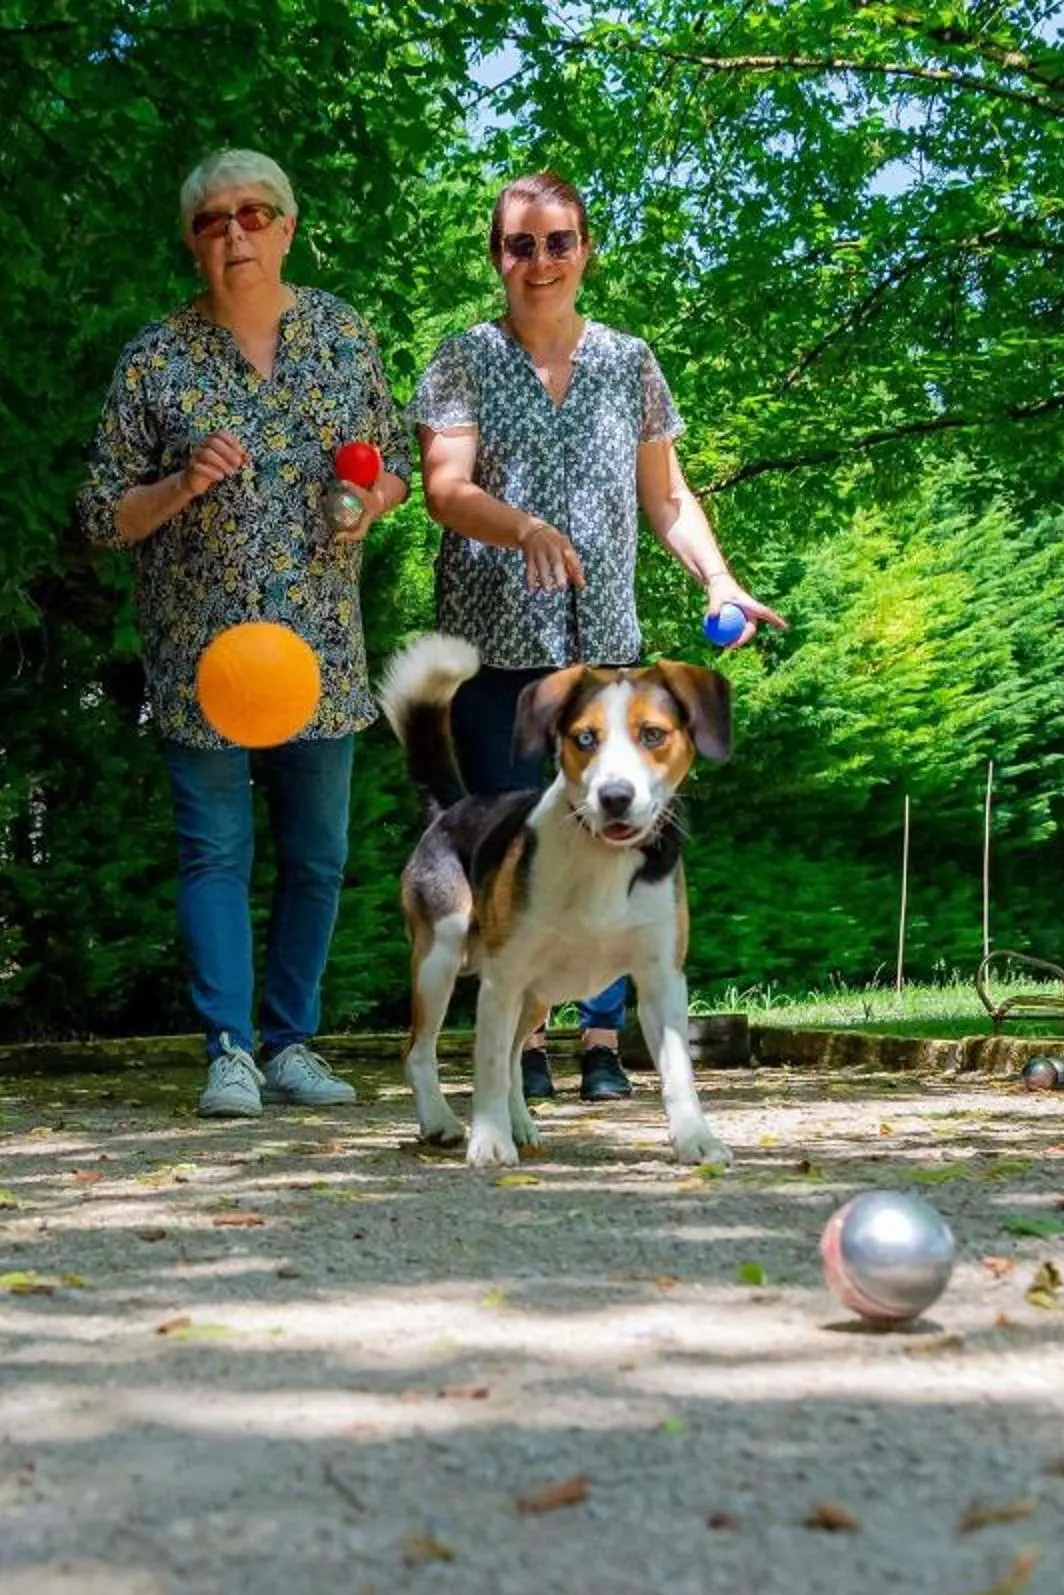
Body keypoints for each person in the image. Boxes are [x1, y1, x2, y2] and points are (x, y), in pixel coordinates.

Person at [415, 170, 781, 1107]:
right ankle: (523, 1044)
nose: (540, 261)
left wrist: (720, 578)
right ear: (498, 257)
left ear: (585, 250)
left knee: (622, 837)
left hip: (603, 655)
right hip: (497, 656)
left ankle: (604, 1041)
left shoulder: (630, 362)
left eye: (558, 242)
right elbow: (445, 490)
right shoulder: (461, 359)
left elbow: (667, 498)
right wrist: (524, 527)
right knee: (516, 858)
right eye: (520, 245)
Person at [80, 149, 413, 1118]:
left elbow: (394, 464)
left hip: (321, 649)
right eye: (214, 220)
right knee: (215, 857)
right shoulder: (156, 360)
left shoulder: (345, 337)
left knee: (317, 856)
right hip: (203, 655)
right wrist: (181, 484)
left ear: (288, 227)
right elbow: (101, 518)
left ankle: (291, 1044)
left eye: (255, 214)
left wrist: (370, 503)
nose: (236, 232)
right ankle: (228, 1051)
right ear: (193, 244)